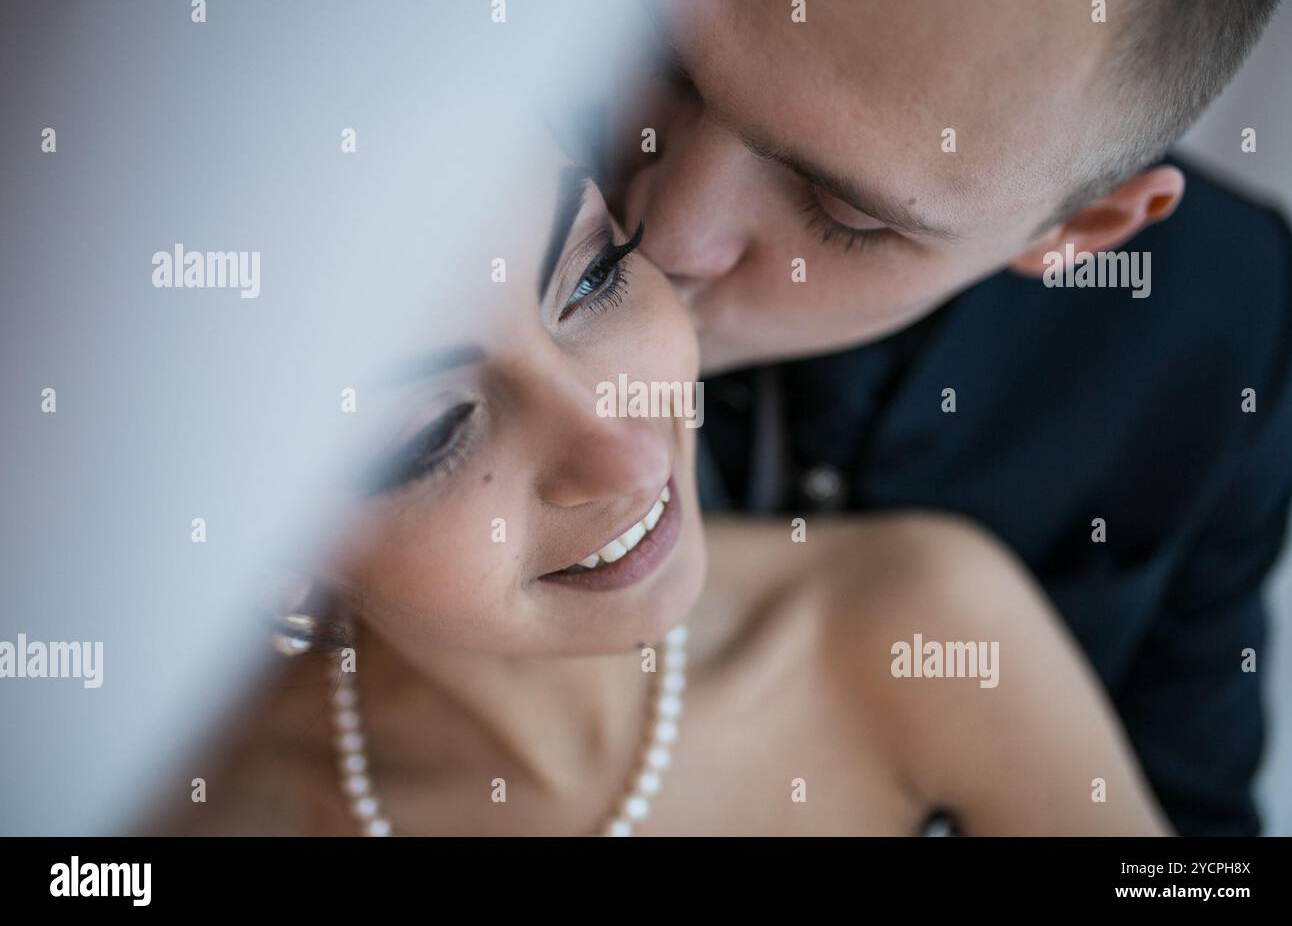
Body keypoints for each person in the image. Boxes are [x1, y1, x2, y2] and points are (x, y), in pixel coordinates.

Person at [147, 128, 1167, 836]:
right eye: (428, 432)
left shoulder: (920, 630)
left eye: (592, 275)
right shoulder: (184, 812)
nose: (631, 456)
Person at [606, 0, 1292, 835]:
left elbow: (1198, 846)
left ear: (1080, 233)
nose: (660, 230)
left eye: (845, 214)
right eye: (660, 62)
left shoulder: (1218, 322)